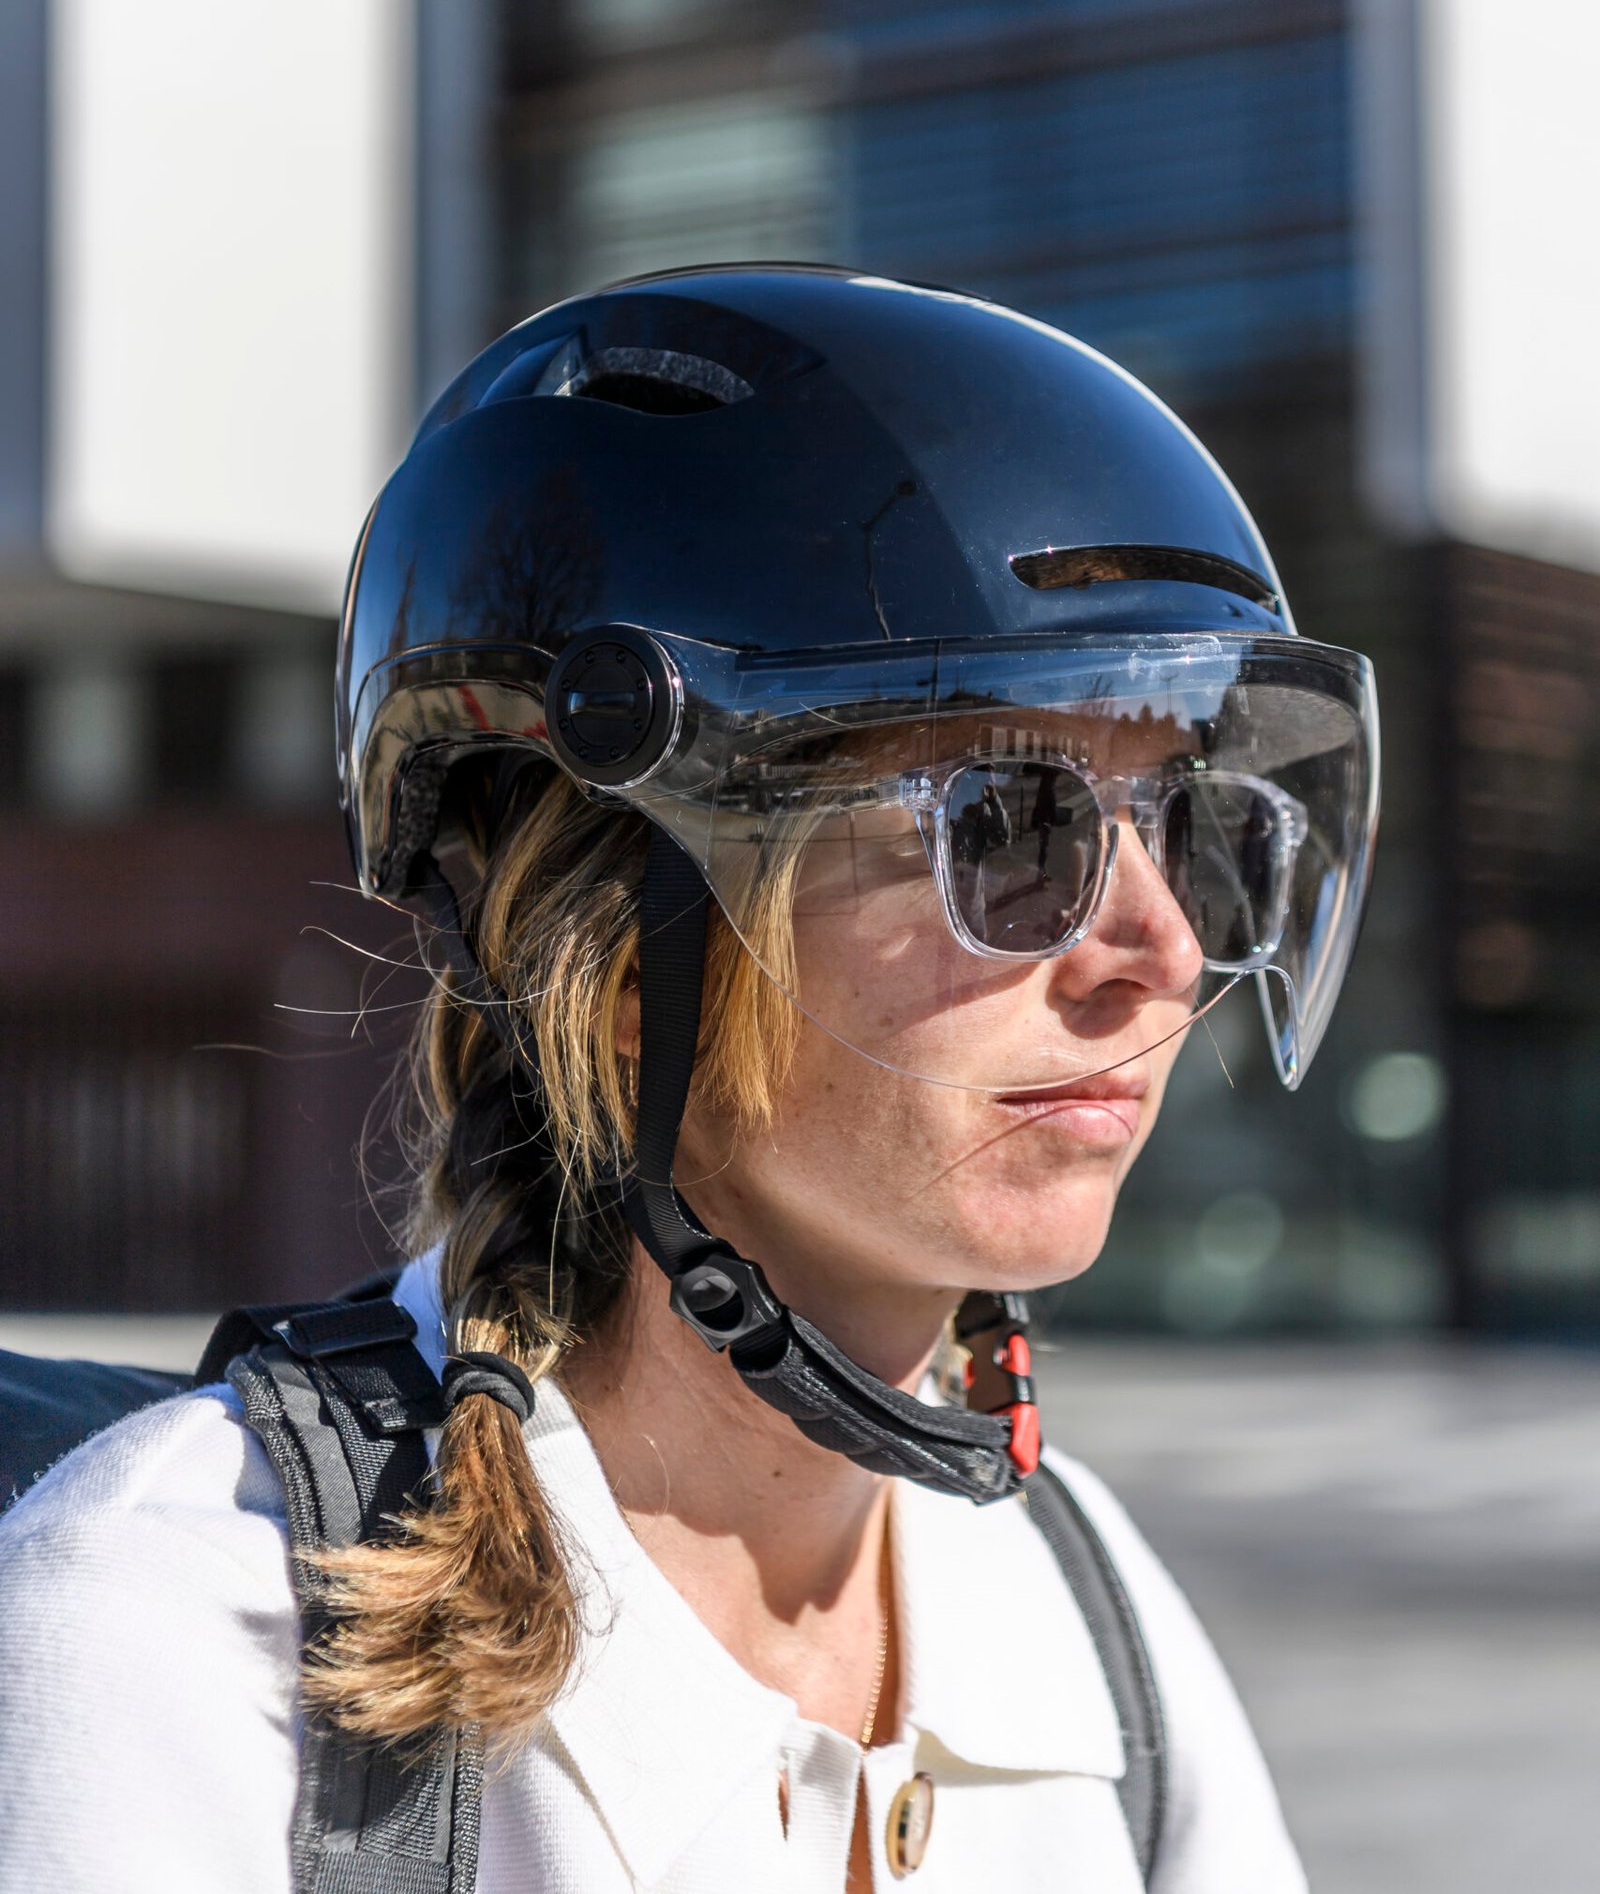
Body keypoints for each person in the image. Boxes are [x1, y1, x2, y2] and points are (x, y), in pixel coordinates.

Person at [0, 267, 1378, 1892]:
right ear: (620, 964)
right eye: (1011, 828)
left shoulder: (1087, 1607)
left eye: (1186, 827)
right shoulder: (192, 1635)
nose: (1153, 945)